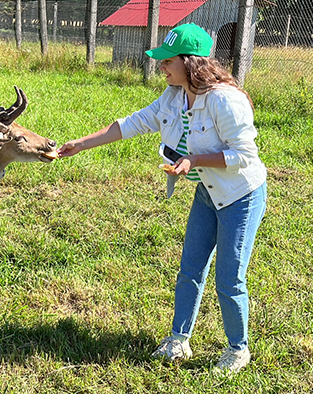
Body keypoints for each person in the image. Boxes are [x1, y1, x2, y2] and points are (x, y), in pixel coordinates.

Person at [57, 23, 267, 372]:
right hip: (208, 193)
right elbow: (132, 123)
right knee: (190, 270)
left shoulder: (224, 100)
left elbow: (245, 155)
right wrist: (80, 144)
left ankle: (237, 348)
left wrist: (194, 160)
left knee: (229, 278)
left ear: (191, 62)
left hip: (240, 196)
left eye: (168, 60)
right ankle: (178, 340)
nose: (161, 66)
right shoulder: (174, 95)